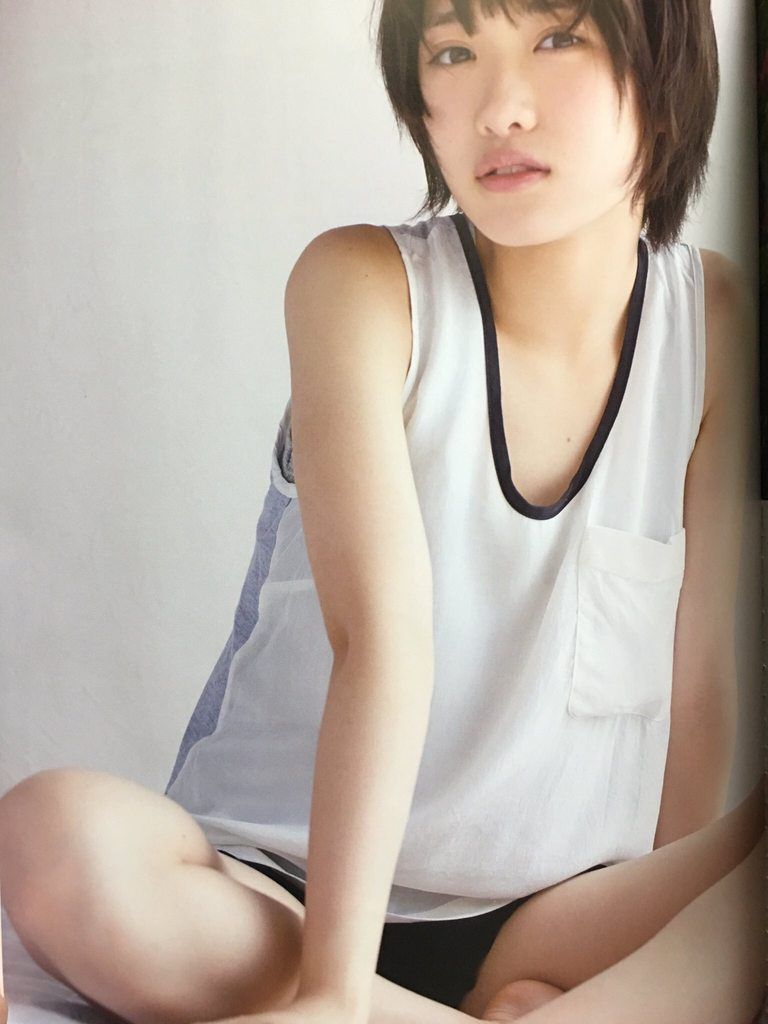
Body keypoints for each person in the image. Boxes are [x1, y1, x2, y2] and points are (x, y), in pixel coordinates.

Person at [0, 1, 760, 1022]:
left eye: (557, 38)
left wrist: (659, 933)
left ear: (667, 78)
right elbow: (384, 642)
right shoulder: (362, 287)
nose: (500, 108)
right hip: (280, 896)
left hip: (552, 911)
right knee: (50, 836)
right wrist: (330, 994)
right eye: (455, 51)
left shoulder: (712, 322)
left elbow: (697, 683)